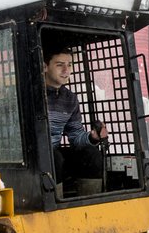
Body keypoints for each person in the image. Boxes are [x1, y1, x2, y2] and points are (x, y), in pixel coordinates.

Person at [42, 45, 108, 189]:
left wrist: (92, 137)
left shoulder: (69, 99)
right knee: (53, 157)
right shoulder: (31, 93)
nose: (66, 70)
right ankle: (55, 205)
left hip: (53, 158)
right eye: (60, 65)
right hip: (32, 160)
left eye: (69, 65)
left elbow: (75, 136)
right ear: (45, 66)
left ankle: (89, 207)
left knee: (91, 155)